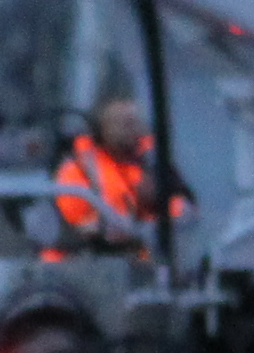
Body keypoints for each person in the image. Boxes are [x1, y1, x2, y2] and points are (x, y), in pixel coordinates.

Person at [49, 95, 180, 258]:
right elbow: (68, 226)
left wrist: (155, 215)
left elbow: (181, 208)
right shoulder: (77, 170)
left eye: (134, 123)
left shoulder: (154, 160)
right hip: (88, 259)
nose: (132, 130)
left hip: (143, 259)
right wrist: (104, 228)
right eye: (123, 123)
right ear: (101, 129)